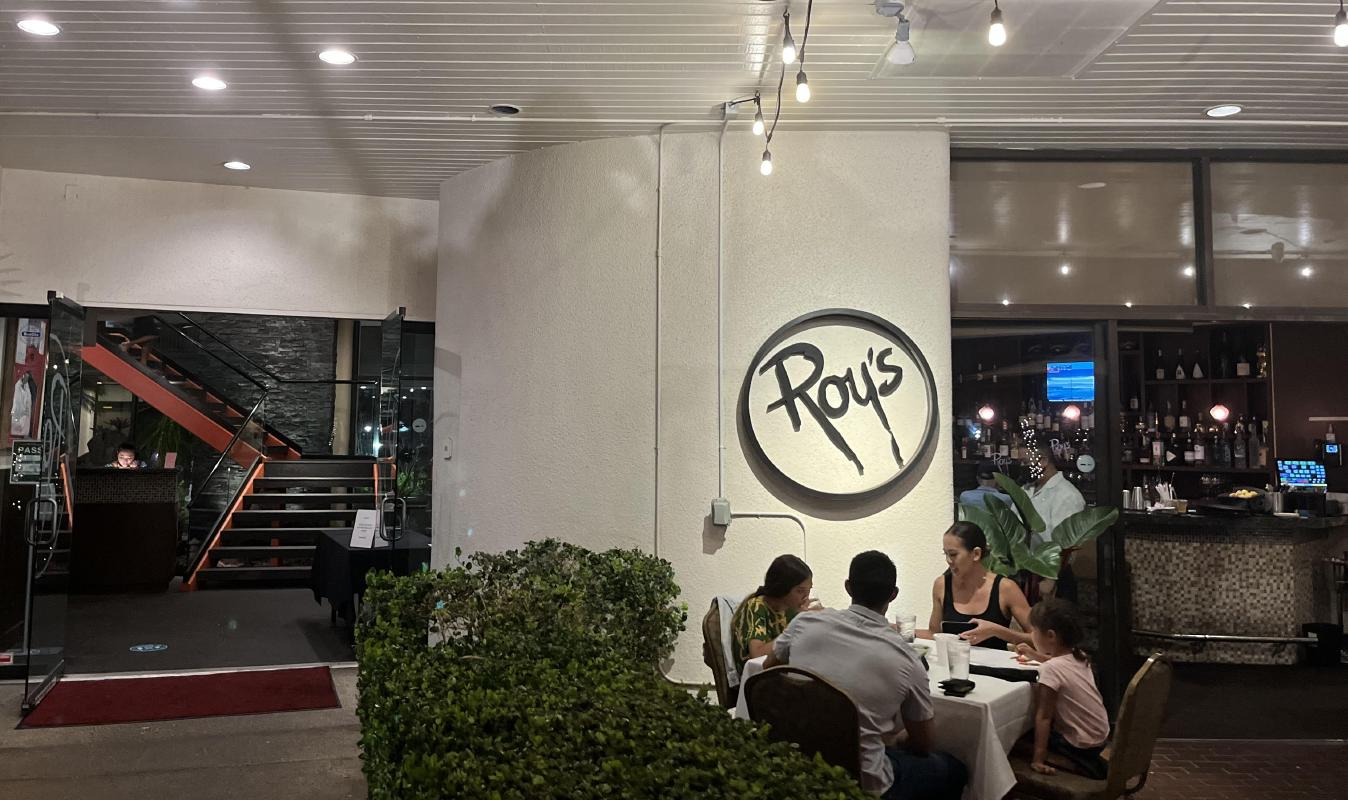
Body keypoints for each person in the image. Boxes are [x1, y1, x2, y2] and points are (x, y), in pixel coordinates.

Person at [765, 551, 967, 800]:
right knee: (955, 769)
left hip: (797, 765)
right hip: (863, 782)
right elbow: (923, 744)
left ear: (848, 587)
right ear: (893, 594)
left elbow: (768, 671)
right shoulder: (907, 659)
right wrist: (892, 739)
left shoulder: (803, 623)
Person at [1015, 599, 1110, 779]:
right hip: (1099, 737)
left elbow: (1044, 717)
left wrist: (1038, 759)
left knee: (1020, 736)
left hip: (1079, 744)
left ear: (1050, 636)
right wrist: (1034, 655)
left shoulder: (1050, 669)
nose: (1032, 635)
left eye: (1034, 631)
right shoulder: (1080, 656)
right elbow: (1058, 664)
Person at [925, 521, 1033, 650]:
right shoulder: (941, 585)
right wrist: (903, 631)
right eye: (946, 554)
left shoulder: (1005, 588)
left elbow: (1039, 641)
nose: (948, 561)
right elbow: (933, 634)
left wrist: (997, 631)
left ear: (976, 554)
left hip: (995, 662)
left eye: (953, 554)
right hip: (954, 661)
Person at [729, 554, 816, 674]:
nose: (806, 597)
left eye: (809, 590)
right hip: (758, 678)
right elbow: (757, 654)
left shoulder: (791, 608)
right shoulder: (757, 606)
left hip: (784, 672)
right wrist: (796, 627)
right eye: (800, 591)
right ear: (782, 588)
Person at [1025, 443, 1086, 601]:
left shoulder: (1067, 495)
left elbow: (1066, 544)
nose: (1023, 467)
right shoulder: (1026, 490)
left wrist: (1049, 581)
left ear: (1043, 461)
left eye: (1026, 462)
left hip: (1053, 578)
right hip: (1025, 575)